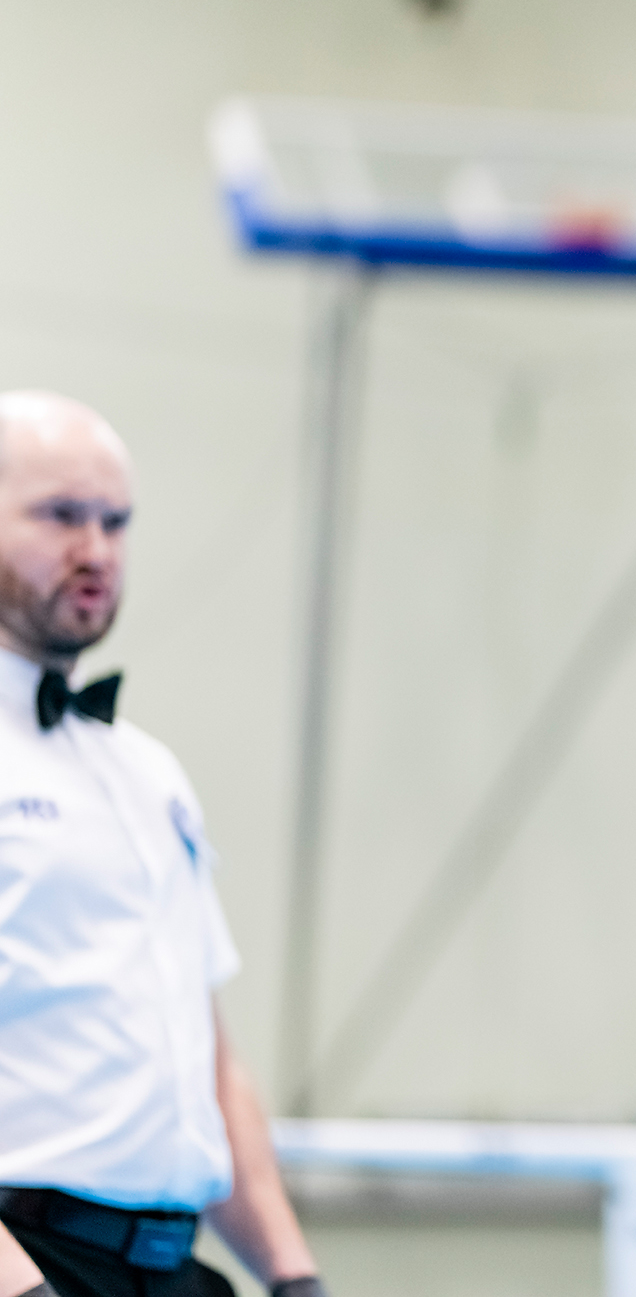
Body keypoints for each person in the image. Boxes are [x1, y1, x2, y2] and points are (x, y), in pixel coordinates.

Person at [0, 392, 326, 1297]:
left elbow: (206, 1053)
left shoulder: (149, 774)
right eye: (61, 514)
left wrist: (294, 1277)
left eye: (116, 521)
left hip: (168, 1266)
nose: (95, 549)